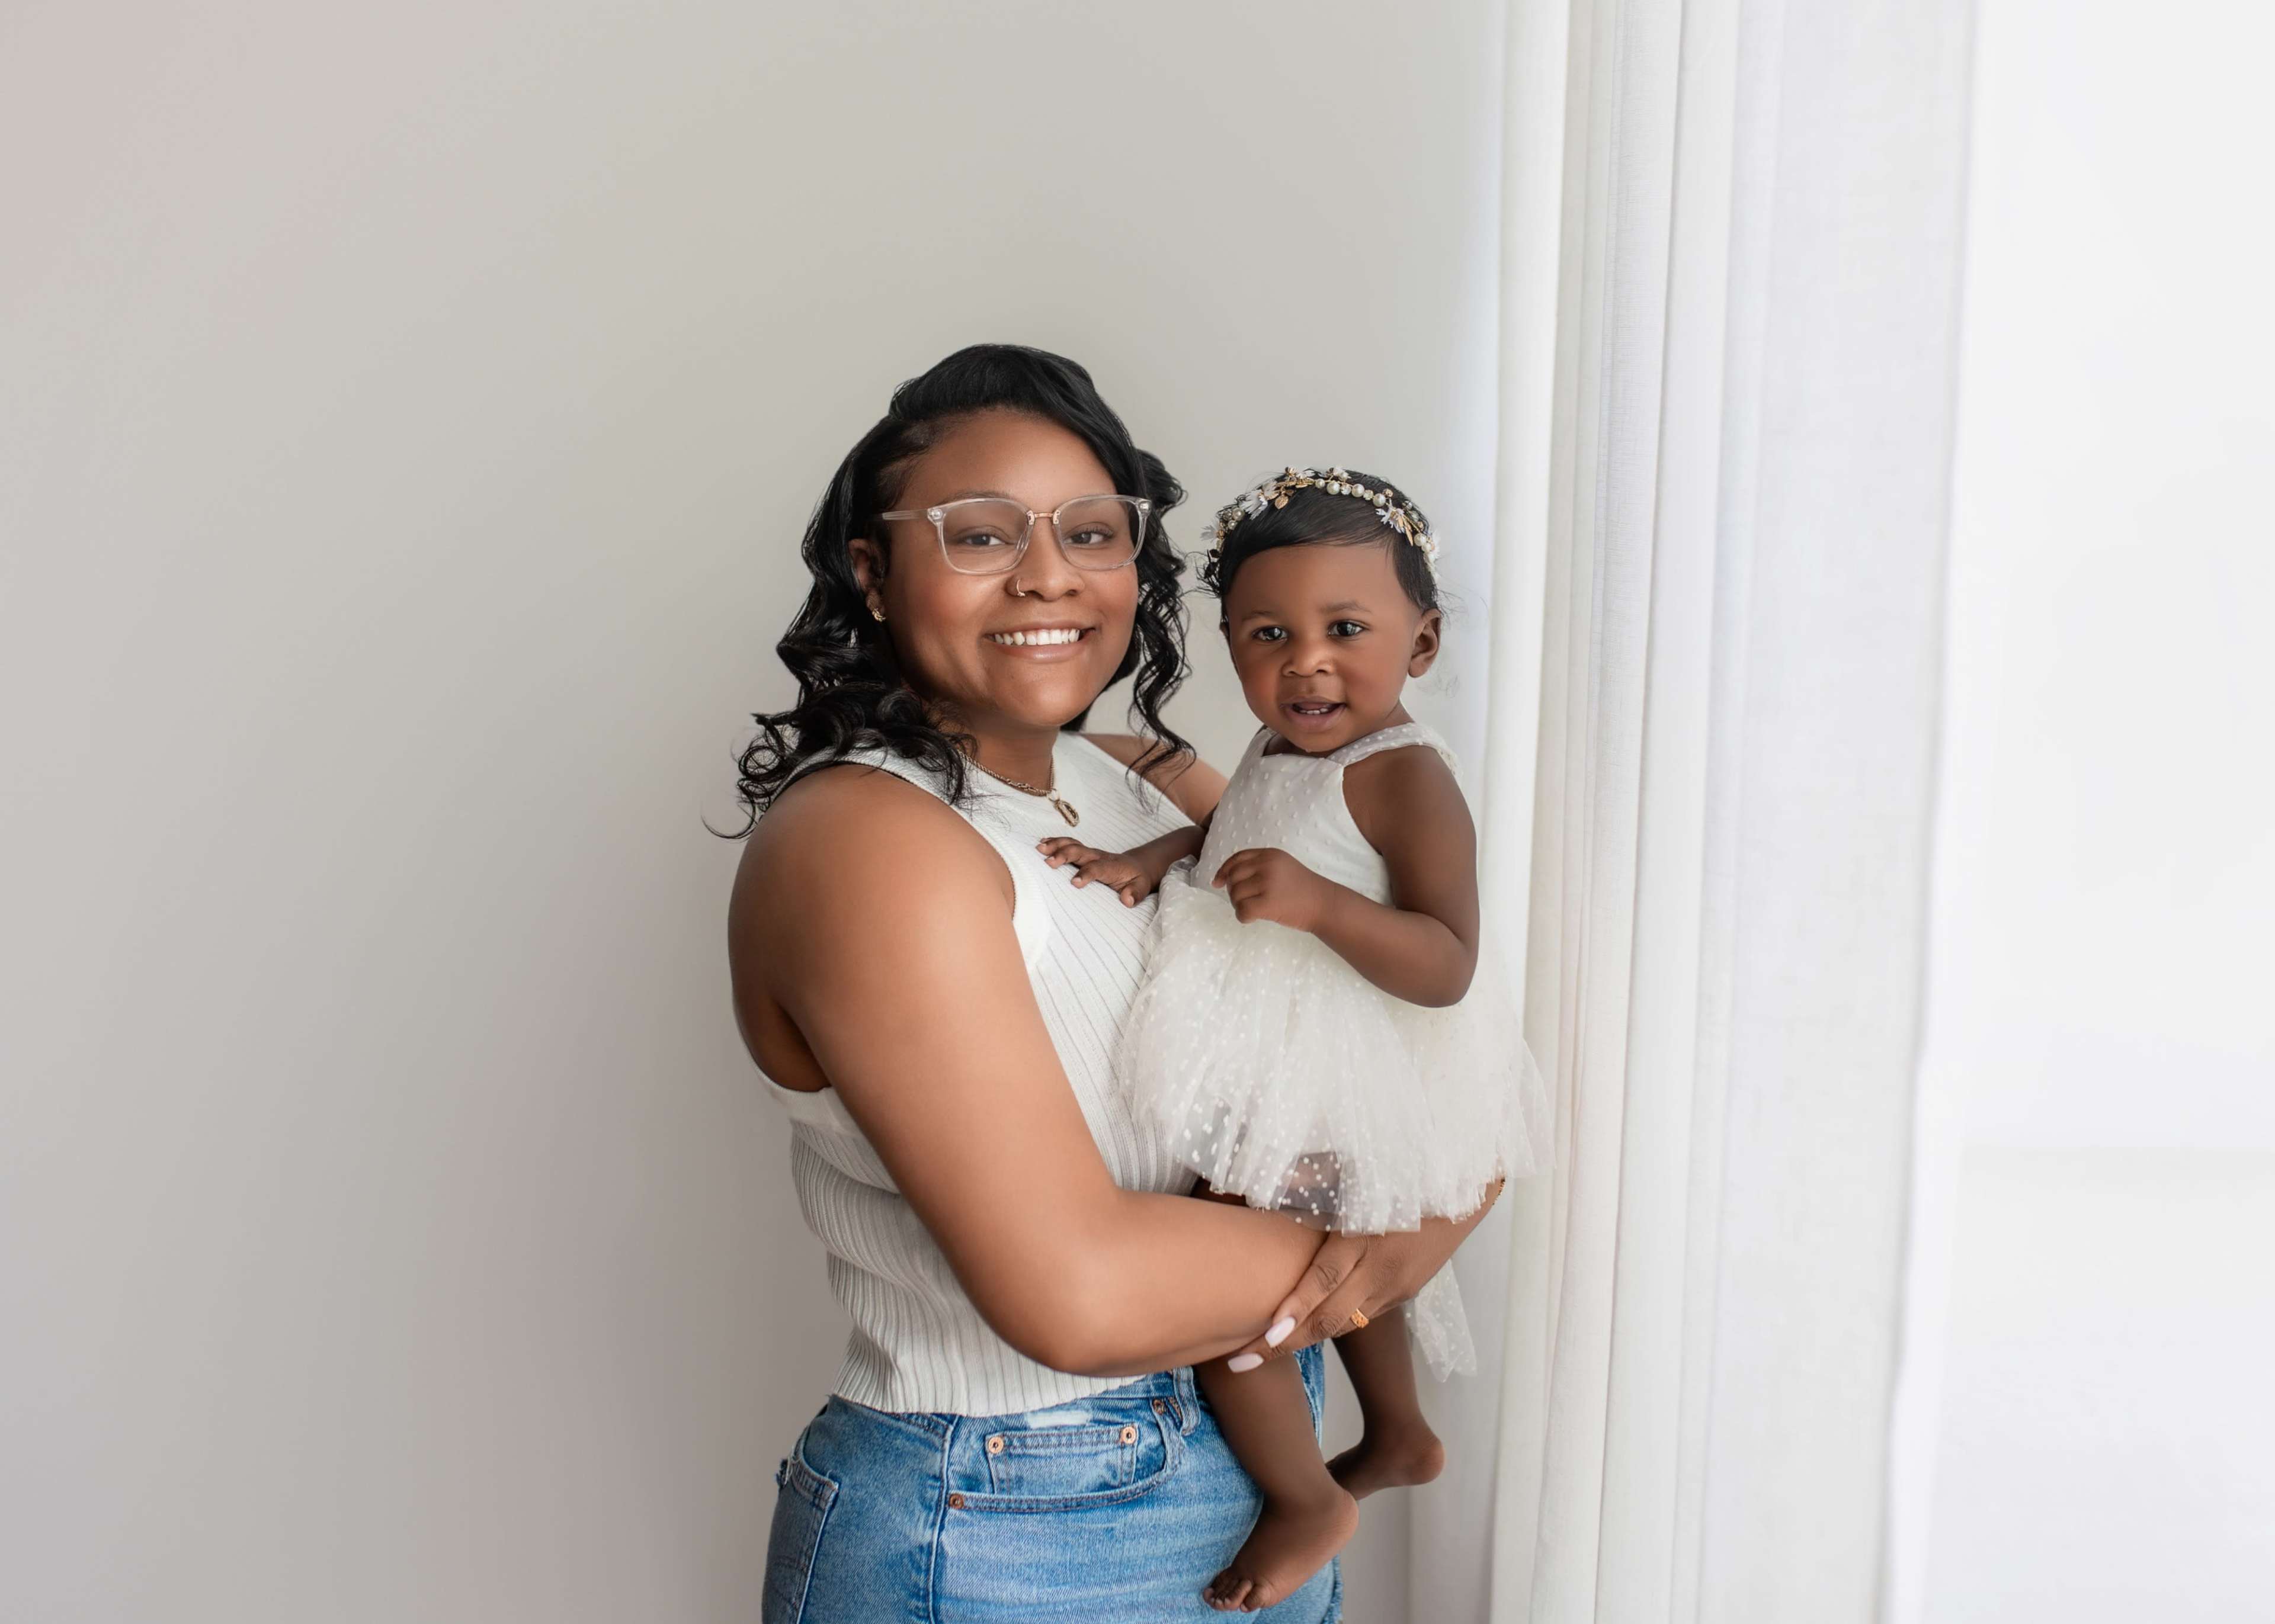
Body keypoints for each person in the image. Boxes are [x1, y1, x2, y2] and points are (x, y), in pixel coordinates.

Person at [728, 347, 1500, 1623]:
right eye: (979, 534)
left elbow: (1407, 1003)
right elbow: (1079, 1294)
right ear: (873, 572)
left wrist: (1427, 1190)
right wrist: (1418, 1218)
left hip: (1253, 1471)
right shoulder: (866, 841)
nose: (1047, 573)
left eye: (1090, 530)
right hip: (1013, 1525)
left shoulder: (1138, 781)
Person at [1036, 467, 1550, 1610]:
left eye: (1346, 629)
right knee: (1341, 1268)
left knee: (1242, 1300)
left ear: (1419, 643)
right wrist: (1147, 860)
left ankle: (1306, 1494)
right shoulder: (1277, 747)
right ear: (1227, 644)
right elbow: (1229, 833)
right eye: (1269, 633)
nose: (1306, 659)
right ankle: (1404, 1435)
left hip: (1354, 1061)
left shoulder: (1404, 776)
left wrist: (1326, 906)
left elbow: (1449, 962)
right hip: (1278, 1055)